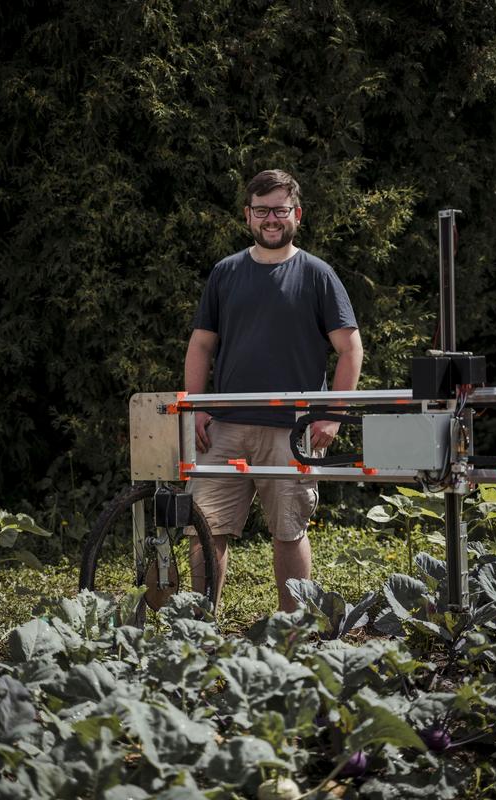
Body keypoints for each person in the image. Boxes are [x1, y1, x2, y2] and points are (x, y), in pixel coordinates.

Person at [184, 169, 363, 611]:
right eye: (261, 210)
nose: (270, 219)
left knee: (289, 531)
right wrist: (196, 408)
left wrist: (331, 416)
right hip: (224, 426)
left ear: (295, 214)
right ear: (248, 216)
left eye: (279, 210)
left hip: (293, 429)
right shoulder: (225, 273)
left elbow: (351, 348)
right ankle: (200, 633)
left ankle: (292, 634)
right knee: (204, 529)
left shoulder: (317, 274)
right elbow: (201, 345)